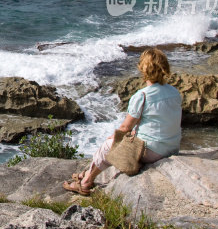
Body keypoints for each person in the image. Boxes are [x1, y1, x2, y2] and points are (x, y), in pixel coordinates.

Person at [62, 47, 182, 196]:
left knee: (108, 146)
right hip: (172, 147)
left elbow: (126, 126)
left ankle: (86, 182)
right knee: (117, 143)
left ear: (144, 70)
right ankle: (85, 173)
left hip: (153, 151)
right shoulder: (174, 92)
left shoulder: (143, 96)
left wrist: (115, 137)